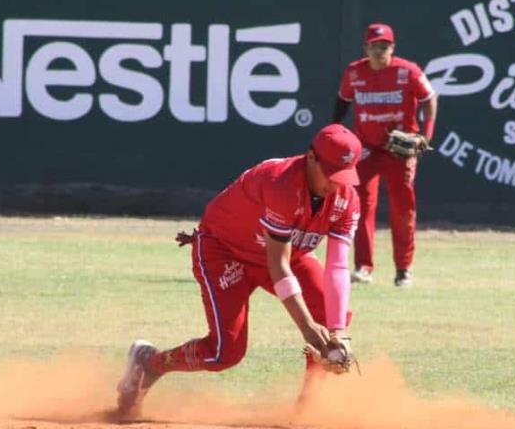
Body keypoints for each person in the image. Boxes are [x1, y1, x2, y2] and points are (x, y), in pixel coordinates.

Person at [115, 124, 362, 417]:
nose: (335, 183)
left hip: (283, 255)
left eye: (343, 176)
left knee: (331, 313)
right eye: (331, 172)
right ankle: (150, 363)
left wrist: (337, 330)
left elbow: (337, 265)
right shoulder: (281, 183)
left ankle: (306, 412)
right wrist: (308, 328)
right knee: (224, 352)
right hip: (225, 250)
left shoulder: (346, 199)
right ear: (311, 157)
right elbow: (278, 266)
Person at [332, 23, 438, 288]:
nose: (380, 51)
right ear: (365, 47)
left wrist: (426, 135)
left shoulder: (407, 71)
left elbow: (429, 98)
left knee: (402, 207)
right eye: (374, 46)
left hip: (399, 147)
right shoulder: (355, 72)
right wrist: (334, 131)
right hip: (367, 146)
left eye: (385, 46)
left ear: (393, 47)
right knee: (360, 204)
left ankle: (403, 269)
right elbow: (342, 101)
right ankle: (363, 267)